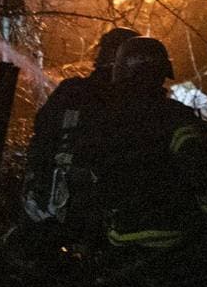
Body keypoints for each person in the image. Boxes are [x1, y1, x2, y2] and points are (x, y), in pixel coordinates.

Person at [83, 35, 207, 250]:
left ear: (120, 71)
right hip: (176, 238)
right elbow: (200, 169)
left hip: (119, 237)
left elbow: (90, 174)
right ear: (162, 74)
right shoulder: (175, 116)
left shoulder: (102, 118)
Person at [18, 26, 137, 246]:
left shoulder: (70, 90)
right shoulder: (130, 102)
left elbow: (41, 136)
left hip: (51, 210)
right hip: (96, 217)